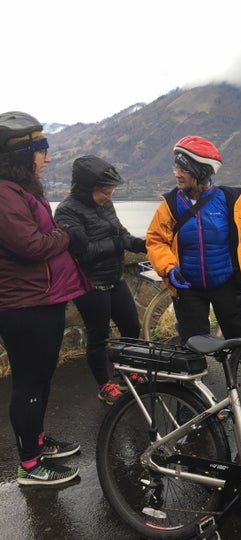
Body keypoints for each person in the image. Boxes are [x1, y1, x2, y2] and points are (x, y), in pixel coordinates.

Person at [0, 111, 89, 485]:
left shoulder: (21, 189)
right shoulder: (4, 193)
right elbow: (31, 245)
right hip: (24, 305)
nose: (47, 158)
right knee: (29, 381)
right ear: (21, 154)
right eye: (41, 151)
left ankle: (36, 440)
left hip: (42, 298)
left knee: (41, 377)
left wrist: (59, 233)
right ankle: (30, 465)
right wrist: (67, 235)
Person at [145, 135, 241, 362]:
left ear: (201, 171)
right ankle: (195, 394)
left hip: (227, 285)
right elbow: (155, 240)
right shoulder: (171, 206)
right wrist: (169, 268)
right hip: (188, 287)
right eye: (176, 167)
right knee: (192, 347)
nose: (177, 174)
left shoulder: (229, 200)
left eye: (184, 169)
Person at [54, 155, 148, 405]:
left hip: (114, 277)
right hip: (89, 284)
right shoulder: (66, 211)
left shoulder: (106, 204)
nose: (108, 197)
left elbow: (119, 231)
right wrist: (119, 242)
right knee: (99, 336)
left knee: (130, 327)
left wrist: (140, 244)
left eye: (110, 192)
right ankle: (104, 385)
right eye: (103, 192)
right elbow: (84, 252)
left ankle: (128, 370)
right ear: (86, 189)